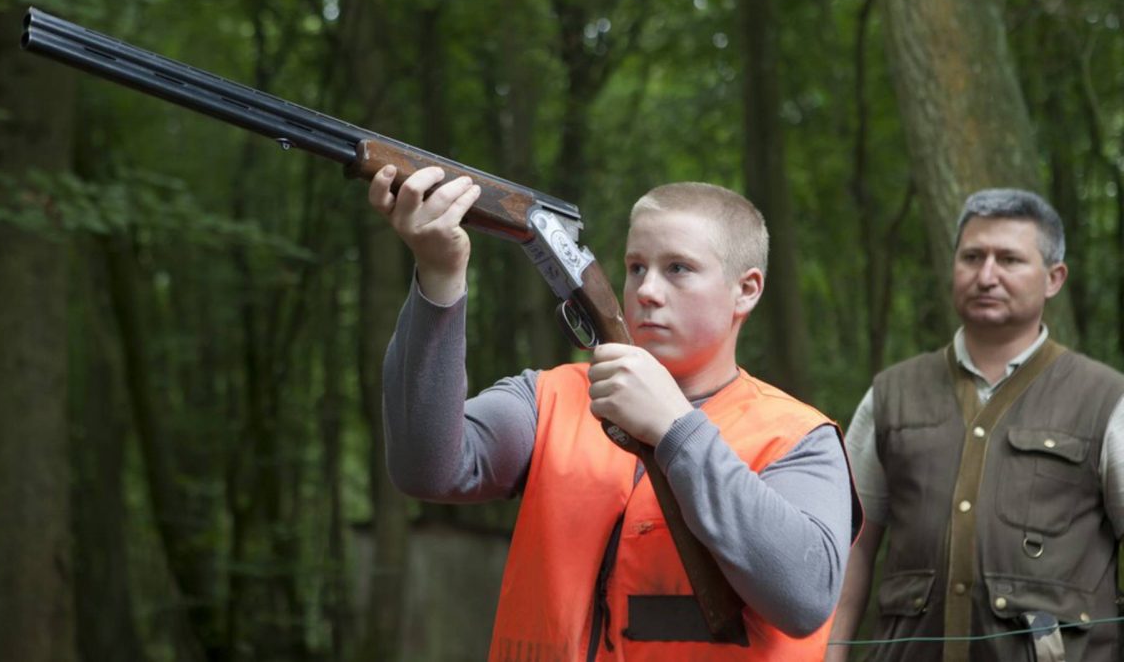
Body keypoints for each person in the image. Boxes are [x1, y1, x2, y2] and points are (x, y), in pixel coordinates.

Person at [369, 164, 859, 661]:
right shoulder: (549, 397)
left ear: (746, 290)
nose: (646, 290)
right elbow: (425, 469)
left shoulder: (797, 436)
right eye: (636, 267)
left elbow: (805, 597)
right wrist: (439, 276)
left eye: (678, 269)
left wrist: (676, 429)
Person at [827, 189, 1124, 662]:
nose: (987, 276)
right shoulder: (890, 395)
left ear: (1054, 278)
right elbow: (851, 546)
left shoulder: (1105, 399)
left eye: (1009, 259)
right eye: (972, 257)